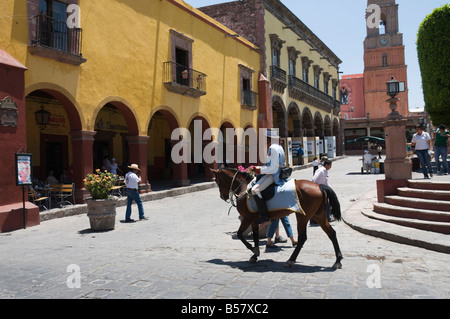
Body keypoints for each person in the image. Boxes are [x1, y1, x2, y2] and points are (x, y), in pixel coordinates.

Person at [248, 129, 286, 224]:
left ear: (269, 138)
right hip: (279, 172)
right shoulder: (279, 147)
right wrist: (260, 167)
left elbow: (272, 168)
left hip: (274, 175)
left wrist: (258, 170)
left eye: (266, 138)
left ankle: (264, 215)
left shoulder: (272, 148)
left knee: (254, 190)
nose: (265, 140)